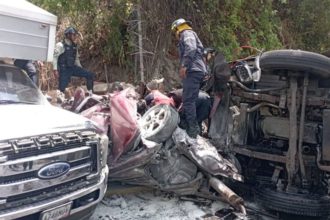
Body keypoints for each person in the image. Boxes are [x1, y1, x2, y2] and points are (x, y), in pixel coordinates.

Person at [171, 18, 207, 138]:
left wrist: (184, 66)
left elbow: (190, 48)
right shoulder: (191, 34)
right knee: (193, 98)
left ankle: (192, 129)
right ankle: (195, 125)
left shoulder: (187, 34)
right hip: (198, 70)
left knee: (188, 100)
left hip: (193, 70)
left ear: (177, 28)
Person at [53, 27, 94, 93]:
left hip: (72, 68)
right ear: (68, 35)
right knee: (62, 90)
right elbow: (55, 57)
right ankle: (60, 99)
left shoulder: (74, 46)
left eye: (75, 35)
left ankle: (90, 93)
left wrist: (81, 70)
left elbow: (76, 59)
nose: (75, 36)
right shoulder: (60, 45)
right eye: (73, 35)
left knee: (89, 75)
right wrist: (55, 70)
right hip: (64, 70)